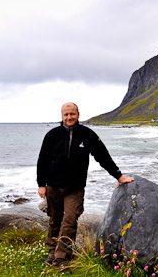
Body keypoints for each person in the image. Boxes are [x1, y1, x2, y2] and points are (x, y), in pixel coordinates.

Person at [36, 102, 134, 272]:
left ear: (78, 115)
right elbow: (42, 160)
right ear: (62, 116)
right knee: (54, 221)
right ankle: (52, 253)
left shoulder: (87, 134)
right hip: (53, 186)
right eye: (66, 114)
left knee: (70, 220)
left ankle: (62, 258)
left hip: (75, 188)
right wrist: (41, 184)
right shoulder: (52, 135)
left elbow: (102, 156)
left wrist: (118, 175)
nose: (69, 117)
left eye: (72, 114)